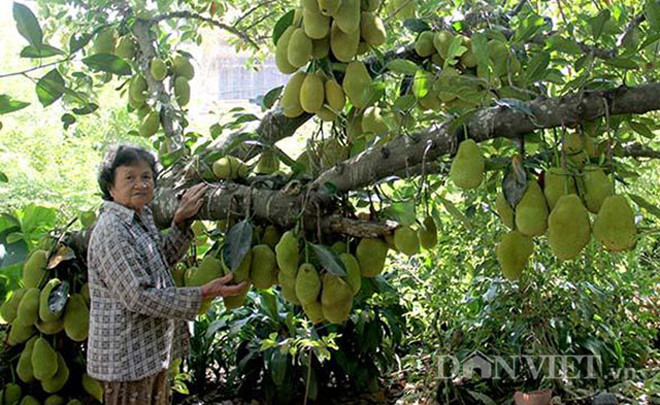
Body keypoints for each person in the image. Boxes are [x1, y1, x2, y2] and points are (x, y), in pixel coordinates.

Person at [86, 144, 246, 405]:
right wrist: (203, 293)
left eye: (146, 176)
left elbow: (159, 259)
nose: (140, 184)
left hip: (149, 354)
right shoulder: (112, 230)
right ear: (111, 188)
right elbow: (138, 297)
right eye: (130, 177)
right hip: (125, 362)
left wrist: (181, 223)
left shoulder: (141, 216)